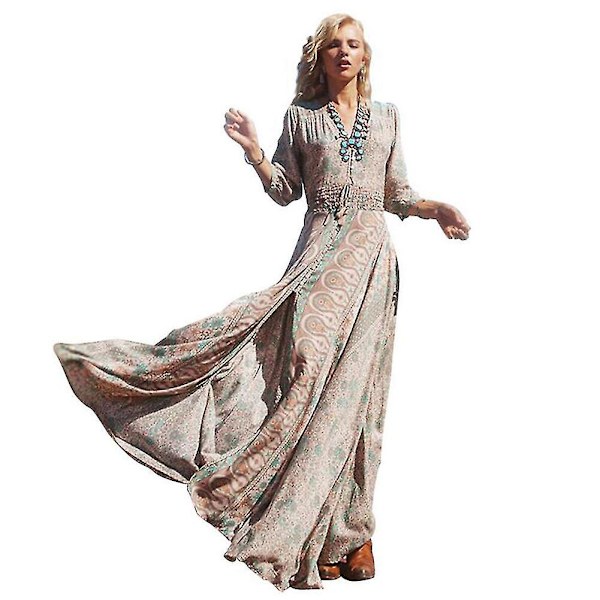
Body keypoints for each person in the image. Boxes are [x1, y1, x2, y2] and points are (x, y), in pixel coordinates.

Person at [53, 12, 470, 593]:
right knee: (306, 372)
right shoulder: (301, 118)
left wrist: (434, 209)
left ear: (365, 56)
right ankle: (292, 512)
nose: (344, 53)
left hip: (372, 262)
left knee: (361, 395)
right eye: (334, 45)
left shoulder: (388, 117)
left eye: (353, 45)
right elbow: (285, 191)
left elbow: (395, 193)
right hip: (318, 259)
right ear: (320, 57)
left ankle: (352, 536)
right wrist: (254, 151)